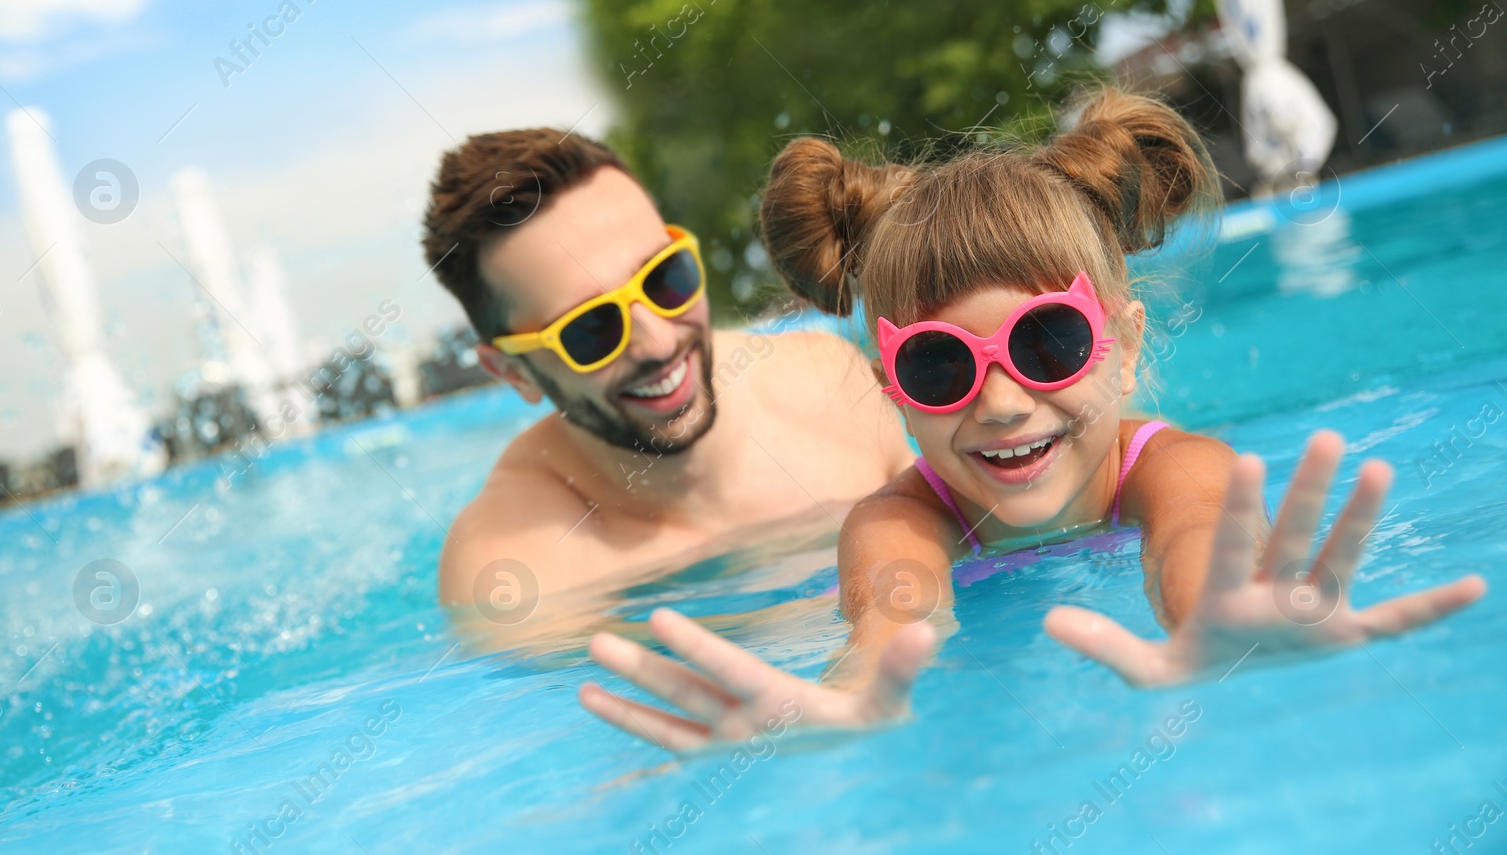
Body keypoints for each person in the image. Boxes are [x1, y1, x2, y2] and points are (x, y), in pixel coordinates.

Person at [579, 90, 1487, 752]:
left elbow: (1195, 537)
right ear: (891, 385)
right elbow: (895, 612)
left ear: (1124, 347)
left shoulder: (1168, 467)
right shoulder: (899, 518)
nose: (1004, 401)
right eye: (939, 365)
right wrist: (856, 693)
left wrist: (1215, 614)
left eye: (1048, 343)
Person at [423, 128, 915, 633]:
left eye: (663, 277)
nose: (658, 344)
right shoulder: (515, 573)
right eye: (591, 328)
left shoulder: (833, 384)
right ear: (514, 372)